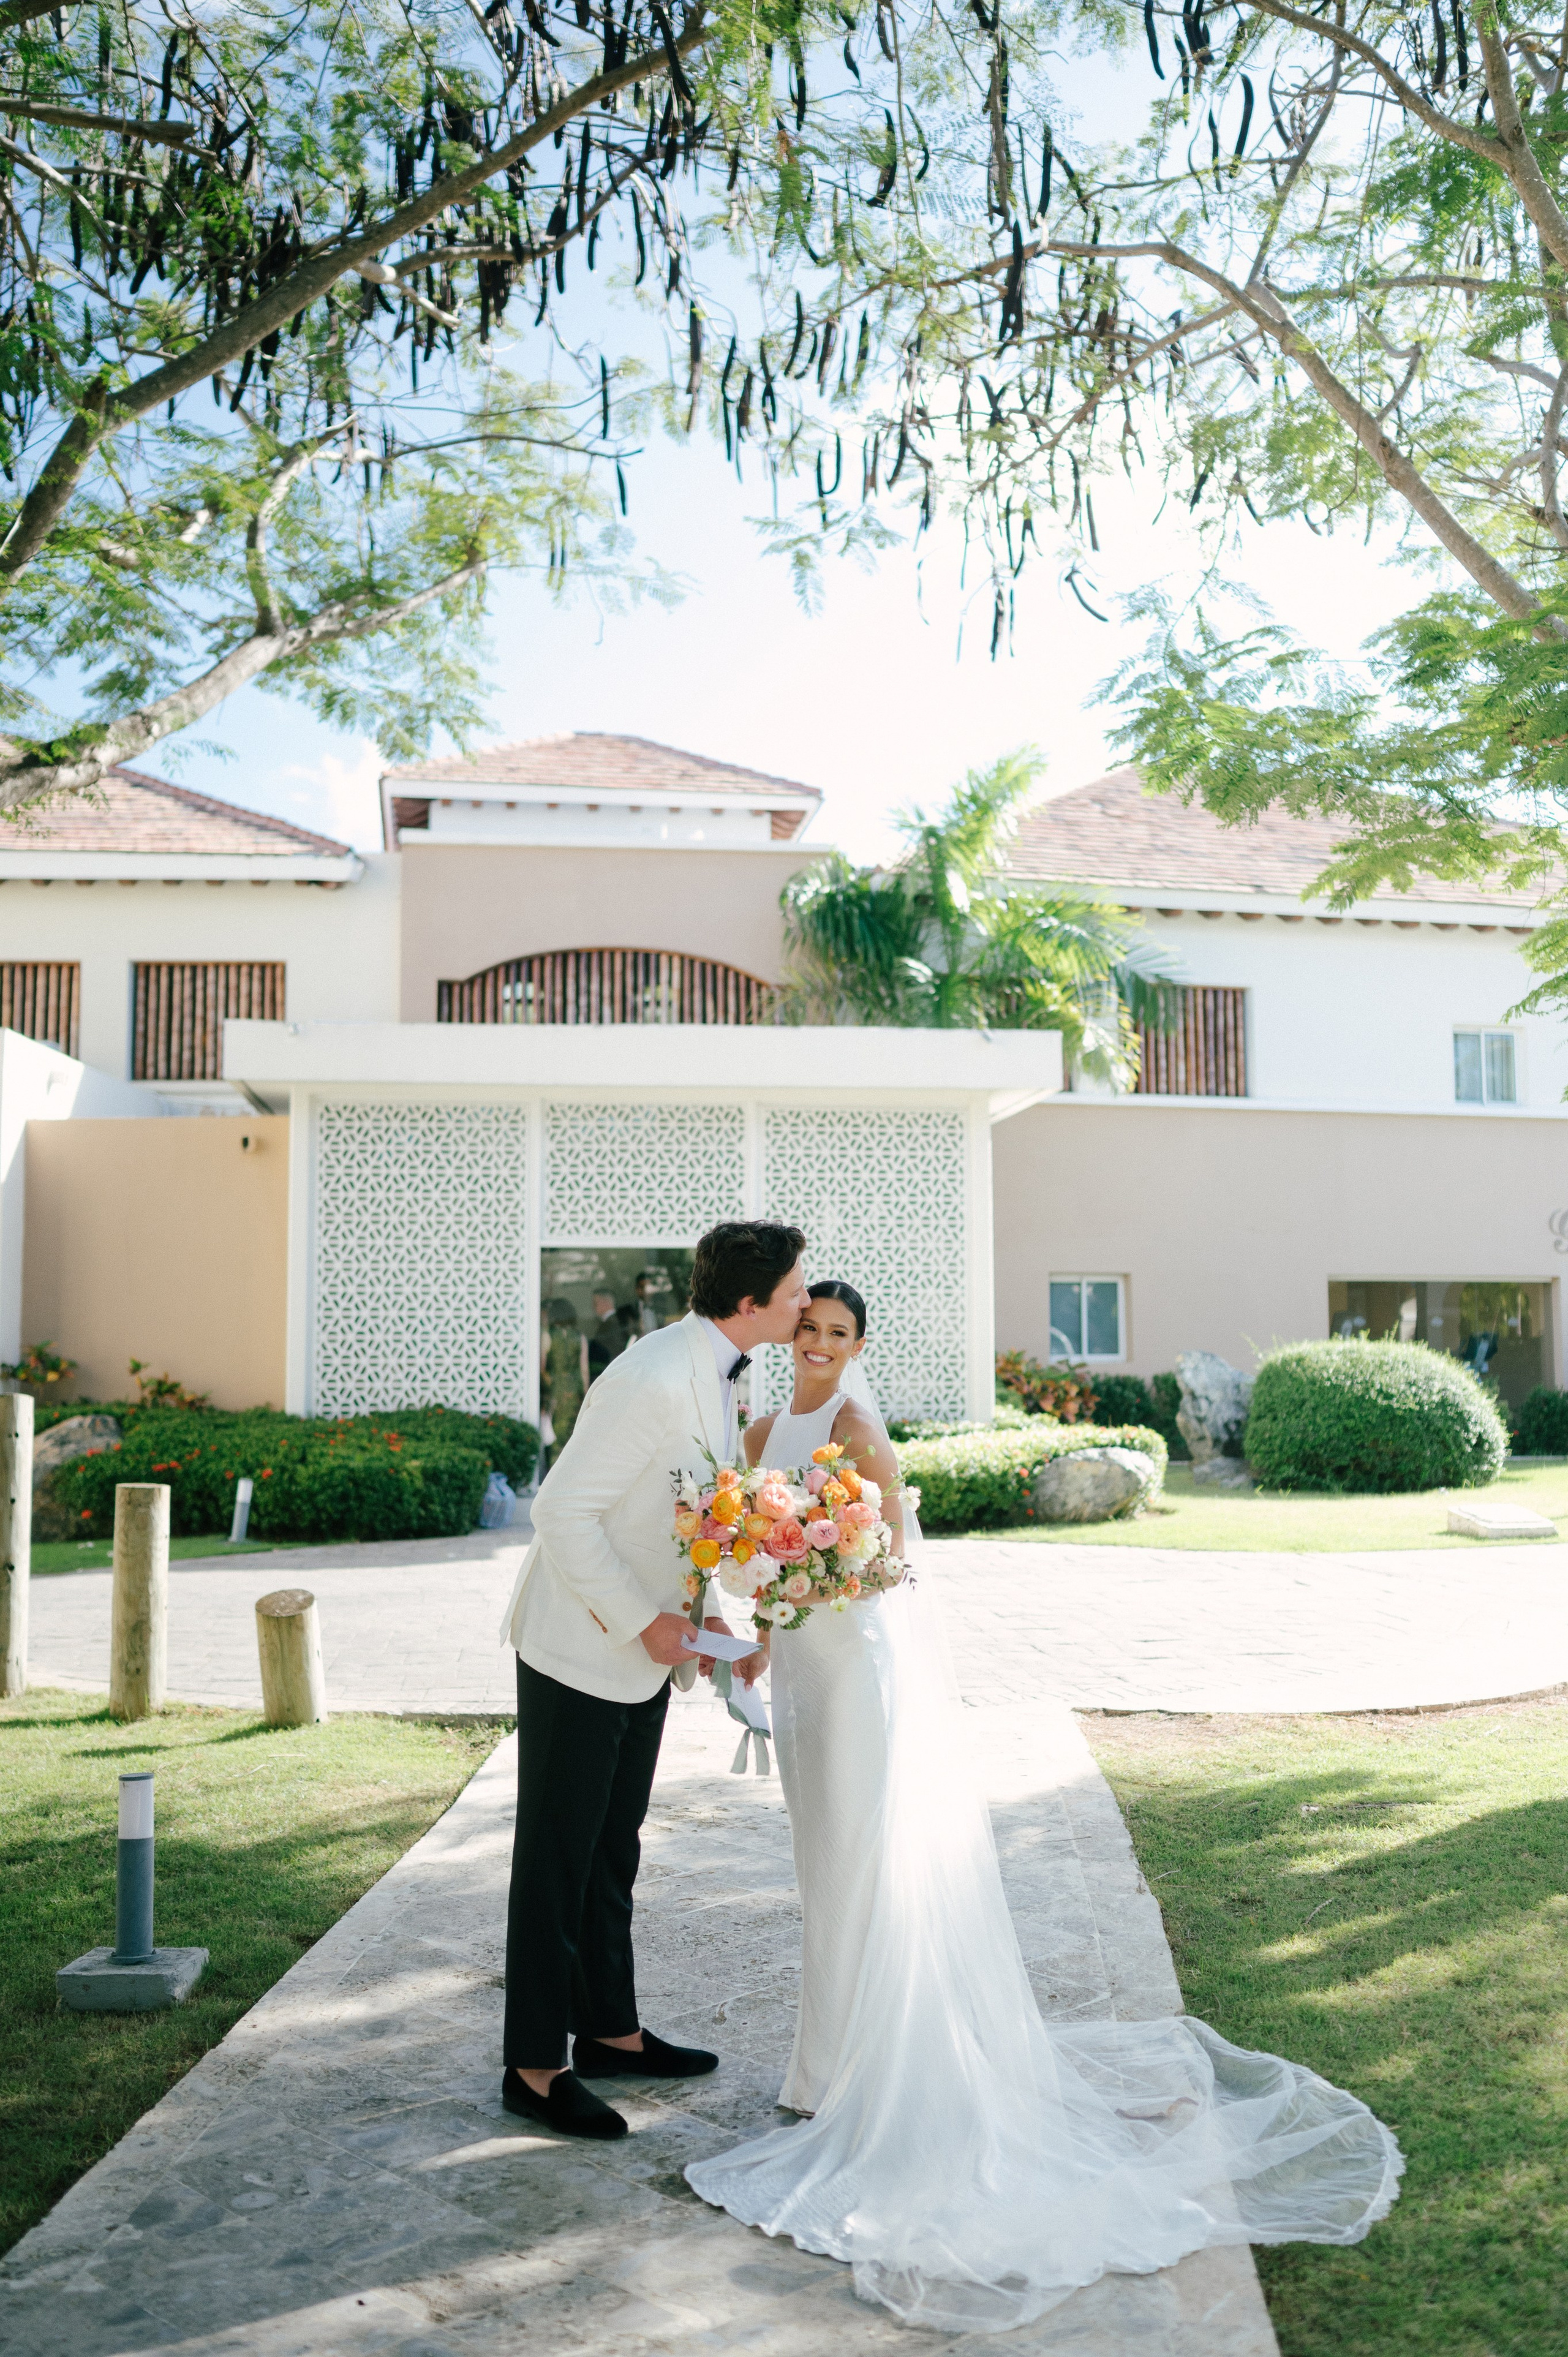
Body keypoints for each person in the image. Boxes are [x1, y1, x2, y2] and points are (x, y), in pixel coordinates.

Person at [686, 1280, 1404, 2330]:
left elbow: (895, 1559)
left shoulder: (853, 1427)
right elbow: (746, 1543)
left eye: (840, 1335)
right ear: (789, 1338)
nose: (822, 1348)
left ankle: (865, 2073)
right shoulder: (761, 1426)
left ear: (859, 1346)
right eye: (810, 1332)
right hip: (798, 1665)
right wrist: (763, 1582)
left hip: (855, 1665)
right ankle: (825, 2061)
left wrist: (827, 1561)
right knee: (821, 1858)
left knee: (864, 1857)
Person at [496, 1220, 808, 2142]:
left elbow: (681, 1515)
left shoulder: (708, 1370)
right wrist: (642, 1621)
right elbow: (561, 1512)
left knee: (609, 1852)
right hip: (579, 1652)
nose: (804, 1303)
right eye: (794, 1292)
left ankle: (610, 2033)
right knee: (556, 1860)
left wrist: (708, 1615)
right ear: (750, 1305)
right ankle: (534, 2066)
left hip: (644, 1660)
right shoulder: (650, 1375)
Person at [539, 1297, 588, 1468]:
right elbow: (584, 1370)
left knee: (554, 1438)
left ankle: (554, 1474)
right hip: (574, 1391)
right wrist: (585, 1394)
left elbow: (542, 1367)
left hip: (556, 1392)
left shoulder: (548, 1336)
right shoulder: (580, 1337)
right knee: (572, 1436)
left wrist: (548, 1386)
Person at [587, 1288, 626, 1379]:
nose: (593, 1307)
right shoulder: (615, 1322)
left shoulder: (612, 1324)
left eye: (595, 1303)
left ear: (604, 1303)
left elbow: (614, 1350)